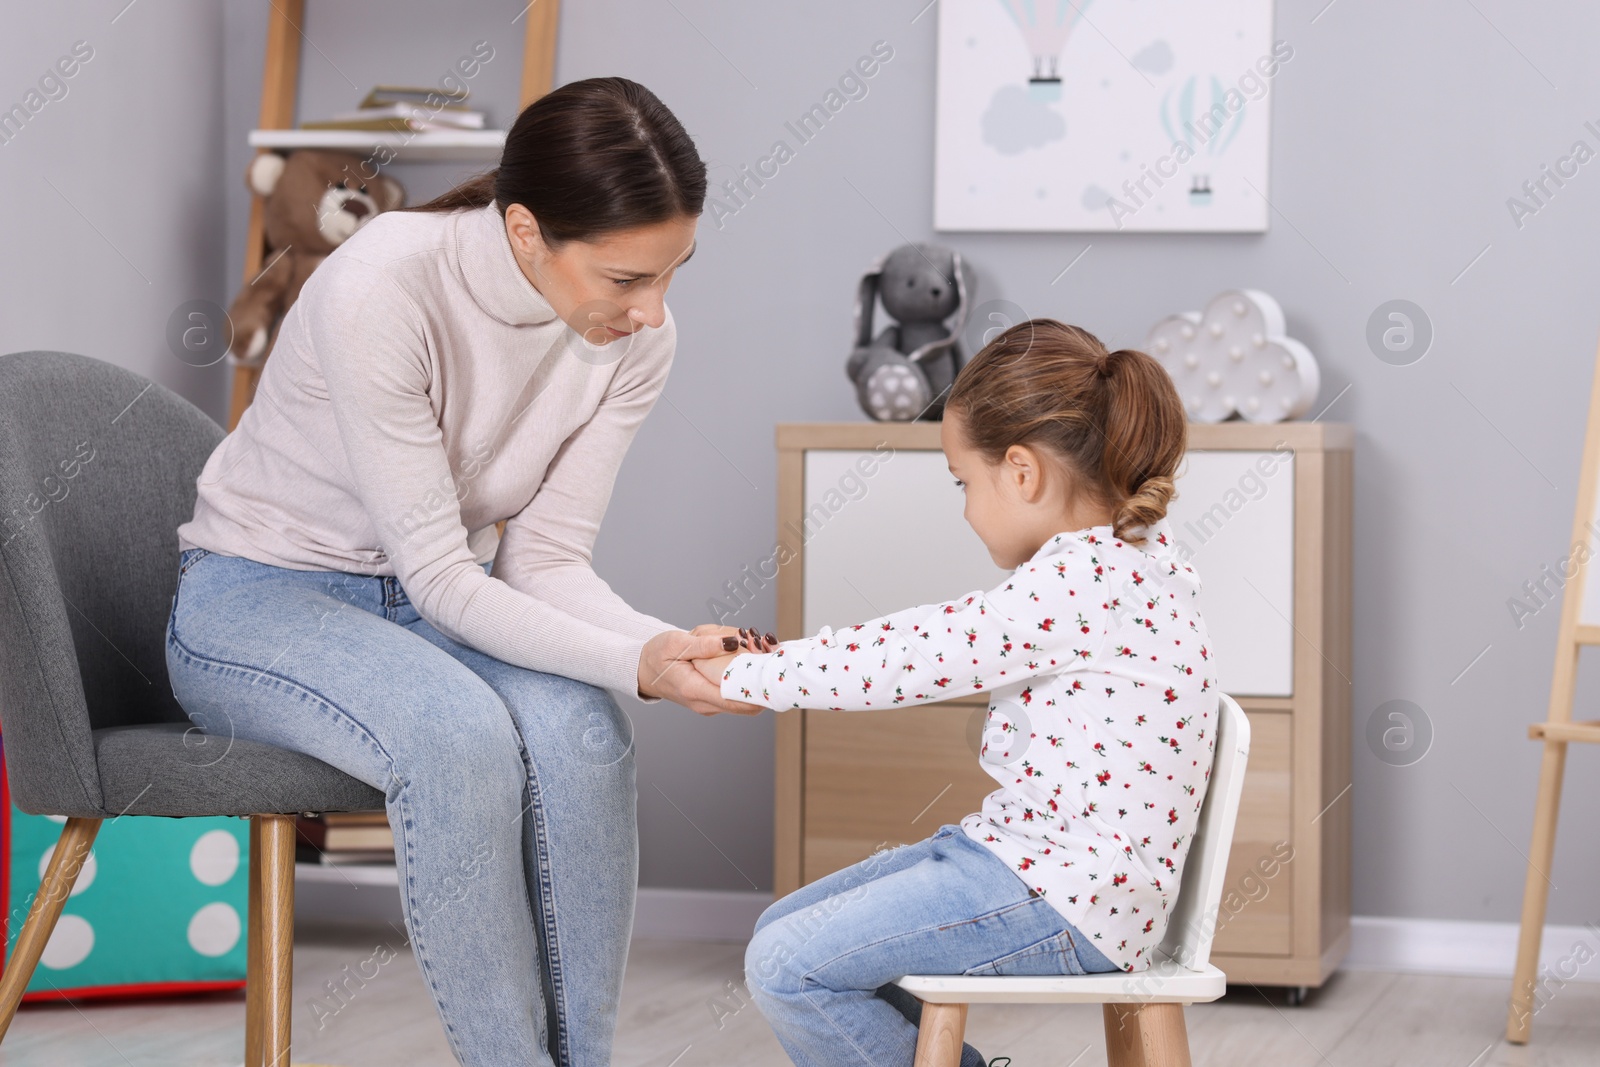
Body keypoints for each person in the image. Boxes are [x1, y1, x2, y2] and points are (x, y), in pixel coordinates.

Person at [164, 77, 768, 1067]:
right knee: (456, 736)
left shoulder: (634, 342)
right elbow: (446, 577)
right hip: (258, 598)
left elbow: (543, 561)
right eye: (625, 278)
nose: (653, 312)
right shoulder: (382, 285)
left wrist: (653, 648)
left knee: (585, 726)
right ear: (526, 231)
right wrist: (640, 659)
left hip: (428, 605)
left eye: (672, 271)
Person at [695, 319, 1220, 1067]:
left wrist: (754, 676)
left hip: (1063, 894)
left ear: (1022, 471)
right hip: (1045, 869)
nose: (966, 506)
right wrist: (780, 661)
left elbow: (917, 654)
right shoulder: (1132, 563)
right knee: (787, 926)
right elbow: (928, 639)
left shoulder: (1082, 580)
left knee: (789, 964)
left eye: (962, 482)